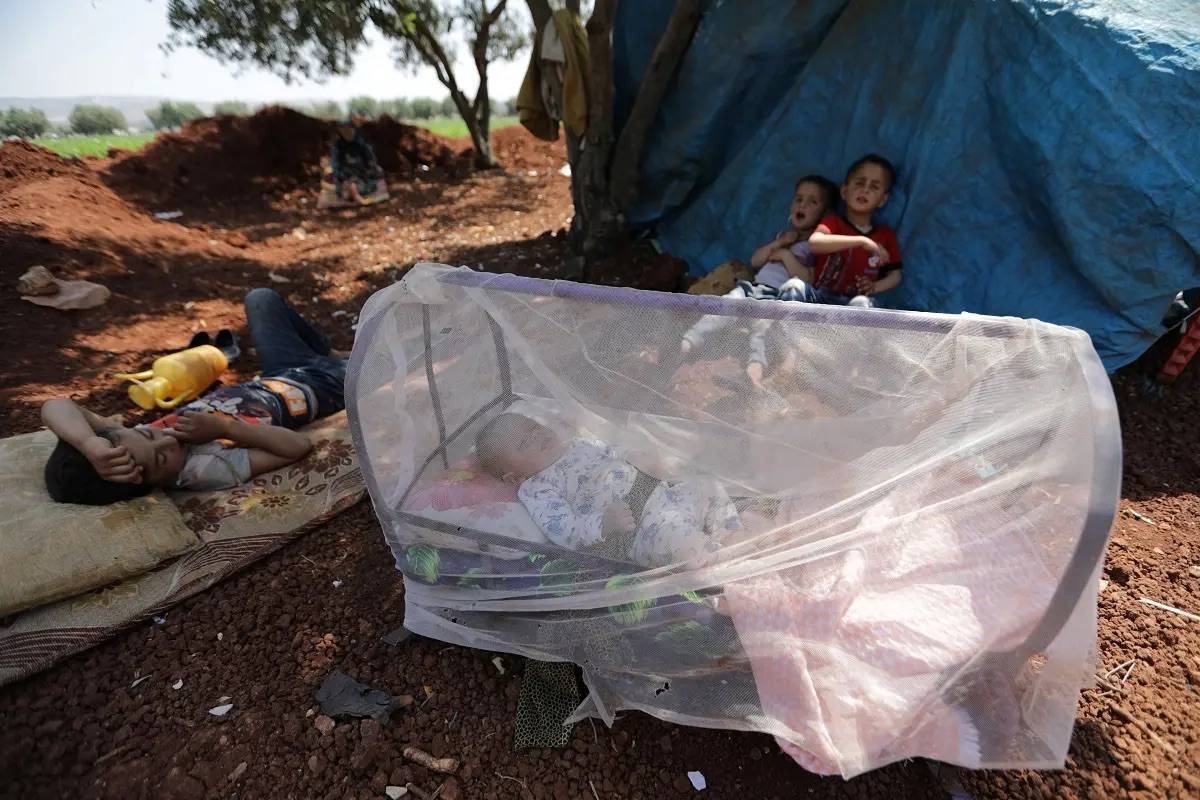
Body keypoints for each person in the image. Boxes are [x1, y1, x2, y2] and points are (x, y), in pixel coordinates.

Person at [42, 289, 348, 504]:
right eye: (161, 458)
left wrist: (89, 444)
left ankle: (331, 353)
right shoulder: (202, 469)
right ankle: (346, 361)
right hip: (323, 389)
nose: (167, 439)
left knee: (261, 299)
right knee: (388, 347)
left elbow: (56, 405)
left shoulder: (126, 445)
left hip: (279, 372)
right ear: (154, 483)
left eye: (149, 432)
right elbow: (297, 447)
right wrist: (226, 428)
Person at [475, 413, 740, 568]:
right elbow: (566, 532)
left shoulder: (577, 444)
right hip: (641, 528)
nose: (537, 436)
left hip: (664, 496)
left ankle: (733, 535)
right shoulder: (537, 488)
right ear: (514, 477)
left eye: (534, 427)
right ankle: (725, 565)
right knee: (682, 541)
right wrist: (603, 524)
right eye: (524, 443)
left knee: (707, 484)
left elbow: (616, 454)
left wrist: (640, 459)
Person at [680, 175, 838, 387]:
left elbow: (807, 278)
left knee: (761, 328)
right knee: (726, 304)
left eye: (812, 202)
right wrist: (780, 243)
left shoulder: (816, 246)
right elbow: (756, 260)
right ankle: (689, 341)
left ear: (825, 213)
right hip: (754, 288)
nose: (803, 205)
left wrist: (785, 256)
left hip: (776, 295)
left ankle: (755, 369)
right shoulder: (784, 236)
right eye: (799, 199)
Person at [785, 154, 903, 308]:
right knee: (793, 286)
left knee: (863, 303)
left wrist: (875, 287)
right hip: (817, 297)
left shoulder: (885, 235)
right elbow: (815, 243)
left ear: (883, 200)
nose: (865, 190)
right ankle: (783, 330)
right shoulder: (833, 223)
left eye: (874, 187)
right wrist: (862, 241)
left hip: (849, 304)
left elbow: (896, 275)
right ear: (844, 191)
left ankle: (845, 332)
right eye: (859, 183)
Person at [331, 119, 383, 204]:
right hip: (346, 179)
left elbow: (371, 163)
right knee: (347, 186)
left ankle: (355, 194)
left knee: (374, 176)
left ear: (354, 129)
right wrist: (344, 176)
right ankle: (354, 195)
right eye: (344, 131)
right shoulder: (338, 147)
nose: (347, 133)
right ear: (340, 132)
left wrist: (365, 172)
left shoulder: (362, 145)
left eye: (349, 129)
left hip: (362, 177)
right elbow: (336, 166)